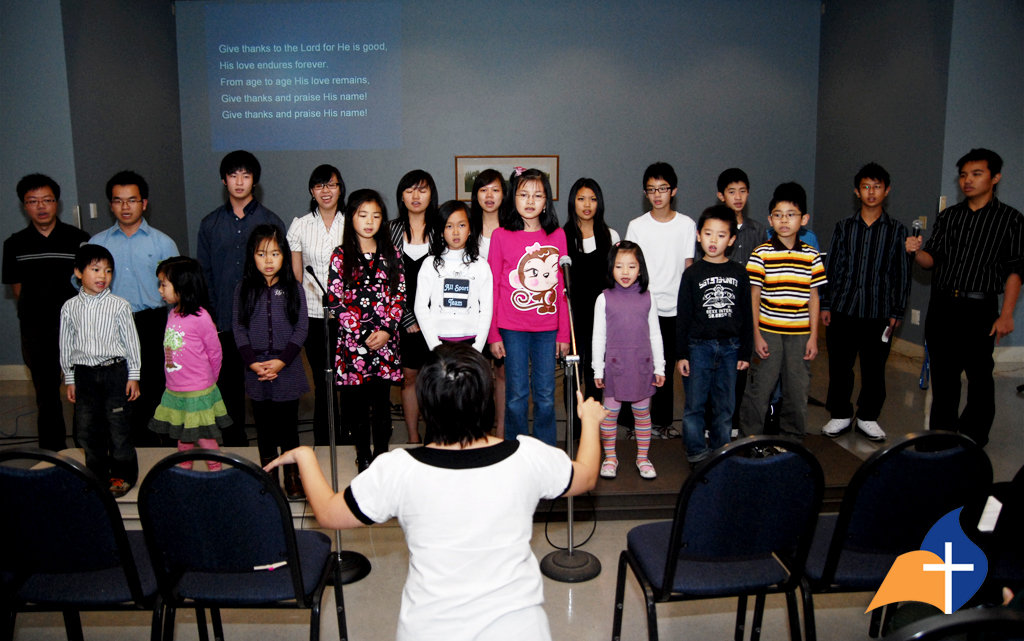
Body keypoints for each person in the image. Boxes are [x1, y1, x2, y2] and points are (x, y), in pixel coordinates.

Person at [265, 343, 607, 641]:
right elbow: (587, 475)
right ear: (486, 399)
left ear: (425, 404)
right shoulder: (527, 456)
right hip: (519, 629)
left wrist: (305, 455)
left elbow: (327, 513)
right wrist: (589, 421)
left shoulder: (397, 468)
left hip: (429, 629)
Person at [906, 148, 1023, 448]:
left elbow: (1015, 271)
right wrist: (917, 252)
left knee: (980, 380)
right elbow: (931, 260)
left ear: (995, 177)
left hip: (979, 308)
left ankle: (971, 442)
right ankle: (940, 443)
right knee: (944, 382)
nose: (967, 181)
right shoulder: (949, 217)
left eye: (976, 174)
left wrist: (1006, 314)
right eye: (963, 175)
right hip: (943, 306)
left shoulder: (1010, 219)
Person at [197, 150, 286, 446]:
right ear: (224, 180)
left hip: (263, 322)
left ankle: (270, 448)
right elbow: (204, 272)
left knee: (267, 388)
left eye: (245, 175)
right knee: (228, 387)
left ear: (255, 181)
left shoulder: (270, 221)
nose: (239, 181)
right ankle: (236, 448)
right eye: (233, 175)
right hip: (222, 319)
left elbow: (281, 273)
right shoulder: (209, 224)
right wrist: (209, 313)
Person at [820, 163, 911, 442]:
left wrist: (897, 311)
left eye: (877, 186)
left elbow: (901, 273)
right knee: (839, 366)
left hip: (878, 311)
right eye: (866, 187)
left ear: (887, 190)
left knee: (874, 369)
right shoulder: (844, 227)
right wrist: (825, 303)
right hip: (843, 308)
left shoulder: (897, 230)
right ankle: (840, 414)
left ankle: (868, 417)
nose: (871, 192)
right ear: (857, 192)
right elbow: (831, 267)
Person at [89, 170, 178, 447]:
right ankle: (120, 448)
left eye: (132, 200)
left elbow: (178, 290)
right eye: (118, 201)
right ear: (110, 204)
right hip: (110, 325)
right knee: (115, 388)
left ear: (144, 203)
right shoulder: (97, 244)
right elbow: (83, 286)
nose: (125, 207)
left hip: (152, 323)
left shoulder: (162, 243)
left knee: (152, 386)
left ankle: (153, 446)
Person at [2, 174, 89, 451]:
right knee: (46, 396)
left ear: (57, 203)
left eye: (47, 200)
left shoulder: (79, 240)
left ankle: (87, 450)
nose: (41, 207)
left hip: (77, 328)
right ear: (24, 206)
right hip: (37, 330)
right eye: (33, 201)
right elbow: (17, 287)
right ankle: (53, 456)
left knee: (83, 394)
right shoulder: (14, 244)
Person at [488, 168, 570, 446]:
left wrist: (563, 334)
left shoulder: (557, 235)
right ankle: (516, 450)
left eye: (538, 195)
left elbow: (562, 290)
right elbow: (493, 290)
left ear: (547, 201)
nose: (531, 201)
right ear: (514, 199)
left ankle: (545, 453)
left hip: (548, 330)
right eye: (524, 194)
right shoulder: (500, 236)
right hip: (512, 329)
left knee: (546, 396)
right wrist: (493, 335)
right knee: (516, 396)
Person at [739, 183, 827, 444]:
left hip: (800, 336)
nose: (784, 220)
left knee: (797, 391)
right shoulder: (761, 253)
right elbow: (753, 296)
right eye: (778, 215)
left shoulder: (811, 256)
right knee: (759, 389)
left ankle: (792, 441)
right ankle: (749, 440)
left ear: (804, 219)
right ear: (770, 220)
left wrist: (813, 338)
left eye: (791, 214)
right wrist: (756, 335)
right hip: (768, 333)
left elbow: (813, 297)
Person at [326, 190, 405, 471]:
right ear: (352, 218)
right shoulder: (340, 255)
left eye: (376, 215)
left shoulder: (392, 253)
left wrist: (386, 330)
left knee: (382, 403)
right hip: (354, 344)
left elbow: (399, 295)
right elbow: (335, 299)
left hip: (385, 341)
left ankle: (382, 454)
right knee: (357, 405)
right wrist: (360, 334)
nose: (369, 221)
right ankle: (363, 455)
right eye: (363, 215)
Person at [59, 244, 142, 497]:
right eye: (95, 269)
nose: (102, 276)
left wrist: (134, 375)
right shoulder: (69, 307)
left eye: (108, 271)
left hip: (114, 372)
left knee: (118, 426)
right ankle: (96, 474)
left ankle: (123, 475)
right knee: (86, 428)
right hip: (84, 374)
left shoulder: (119, 305)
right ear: (78, 272)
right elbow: (66, 345)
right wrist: (70, 378)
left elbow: (132, 342)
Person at [234, 225, 309, 498]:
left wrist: (281, 362)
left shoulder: (294, 289)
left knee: (288, 427)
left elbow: (301, 329)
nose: (268, 260)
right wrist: (253, 364)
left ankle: (292, 476)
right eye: (262, 253)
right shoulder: (243, 289)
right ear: (251, 256)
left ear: (284, 256)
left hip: (286, 368)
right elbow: (239, 329)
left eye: (275, 253)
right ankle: (269, 477)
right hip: (256, 368)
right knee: (263, 428)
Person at [624, 162, 697, 437]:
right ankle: (635, 426)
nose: (657, 195)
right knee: (640, 367)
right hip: (644, 308)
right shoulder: (636, 226)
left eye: (663, 189)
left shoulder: (687, 225)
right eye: (652, 190)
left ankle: (663, 423)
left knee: (665, 368)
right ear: (645, 193)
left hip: (676, 309)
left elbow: (689, 268)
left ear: (673, 191)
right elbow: (630, 267)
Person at [677, 206, 753, 463]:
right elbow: (684, 317)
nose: (713, 240)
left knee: (725, 405)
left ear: (731, 240)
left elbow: (746, 315)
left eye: (721, 235)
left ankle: (723, 451)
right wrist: (682, 353)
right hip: (698, 347)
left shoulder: (740, 273)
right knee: (695, 404)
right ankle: (697, 451)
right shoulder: (692, 274)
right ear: (699, 235)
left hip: (731, 347)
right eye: (708, 233)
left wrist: (745, 351)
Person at [148, 257, 229, 472]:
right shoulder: (172, 314)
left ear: (182, 286)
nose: (160, 290)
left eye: (164, 284)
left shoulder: (201, 317)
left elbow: (215, 352)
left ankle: (215, 470)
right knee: (183, 435)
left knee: (203, 436)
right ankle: (184, 471)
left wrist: (211, 381)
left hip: (197, 390)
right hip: (176, 389)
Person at [593, 241, 665, 479]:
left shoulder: (648, 298)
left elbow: (655, 333)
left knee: (642, 414)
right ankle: (610, 457)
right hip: (614, 366)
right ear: (610, 268)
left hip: (641, 365)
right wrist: (597, 370)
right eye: (619, 266)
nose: (625, 272)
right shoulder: (604, 299)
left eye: (631, 266)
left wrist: (660, 366)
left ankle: (643, 458)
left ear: (640, 269)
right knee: (610, 415)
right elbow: (598, 337)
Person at [287, 164, 346, 447]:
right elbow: (297, 276)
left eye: (331, 185)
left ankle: (346, 434)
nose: (326, 191)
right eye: (320, 186)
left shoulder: (351, 223)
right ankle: (323, 438)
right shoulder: (300, 224)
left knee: (345, 378)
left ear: (340, 188)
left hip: (346, 315)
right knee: (323, 379)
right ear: (312, 191)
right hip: (312, 313)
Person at [563, 177, 620, 437]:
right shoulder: (561, 236)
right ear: (572, 201)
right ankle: (575, 432)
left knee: (596, 375)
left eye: (593, 199)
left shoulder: (611, 236)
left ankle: (592, 431)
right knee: (572, 378)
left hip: (601, 321)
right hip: (572, 320)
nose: (587, 205)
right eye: (581, 198)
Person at [714, 168, 766, 438]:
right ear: (721, 195)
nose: (738, 197)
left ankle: (734, 423)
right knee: (716, 368)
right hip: (719, 309)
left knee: (741, 367)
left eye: (742, 191)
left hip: (746, 310)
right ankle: (716, 422)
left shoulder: (758, 230)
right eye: (732, 192)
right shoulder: (714, 227)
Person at [391, 170, 439, 445]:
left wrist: (428, 316)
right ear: (402, 196)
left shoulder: (441, 229)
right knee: (409, 377)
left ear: (431, 194)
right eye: (410, 190)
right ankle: (412, 436)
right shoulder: (391, 229)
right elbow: (387, 279)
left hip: (436, 318)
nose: (416, 196)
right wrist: (408, 316)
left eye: (422, 190)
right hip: (402, 318)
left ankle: (435, 435)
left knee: (435, 377)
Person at [414, 200, 493, 353]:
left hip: (472, 341)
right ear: (441, 231)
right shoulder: (430, 264)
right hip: (437, 341)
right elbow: (421, 306)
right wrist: (434, 346)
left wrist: (477, 347)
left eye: (462, 225)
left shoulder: (481, 265)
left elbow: (486, 308)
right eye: (449, 226)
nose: (456, 231)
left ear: (470, 228)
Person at [470, 169, 508, 437]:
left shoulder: (512, 229)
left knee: (504, 375)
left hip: (505, 311)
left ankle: (503, 432)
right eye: (483, 190)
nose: (489, 195)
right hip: (473, 313)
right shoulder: (467, 227)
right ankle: (477, 430)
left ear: (504, 194)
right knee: (476, 374)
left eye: (495, 189)